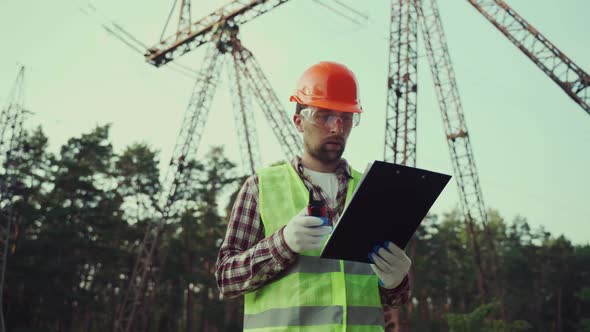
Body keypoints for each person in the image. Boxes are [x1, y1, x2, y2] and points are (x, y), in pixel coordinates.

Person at [215, 61, 411, 331]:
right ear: (298, 121)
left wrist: (396, 281)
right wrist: (282, 243)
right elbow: (227, 278)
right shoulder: (261, 187)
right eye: (324, 115)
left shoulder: (373, 191)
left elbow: (392, 300)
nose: (336, 127)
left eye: (346, 117)